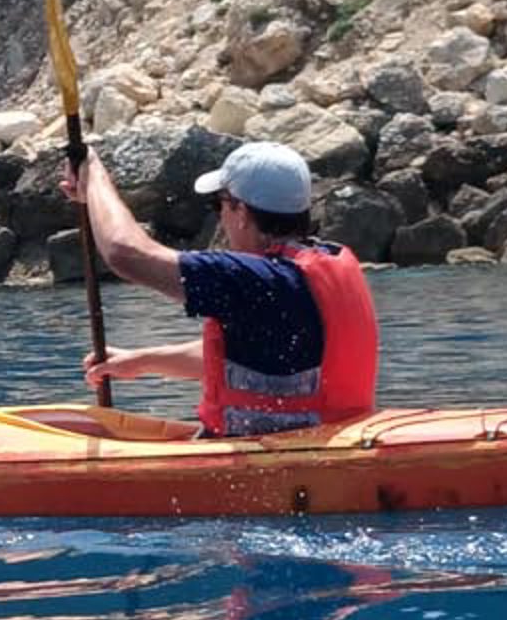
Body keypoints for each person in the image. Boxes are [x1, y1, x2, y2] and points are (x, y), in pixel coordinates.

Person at [63, 137, 379, 435]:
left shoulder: (256, 280)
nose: (221, 218)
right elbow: (249, 357)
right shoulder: (319, 265)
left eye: (219, 204)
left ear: (241, 212)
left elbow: (125, 254)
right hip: (329, 440)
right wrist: (143, 360)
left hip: (276, 458)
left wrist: (93, 177)